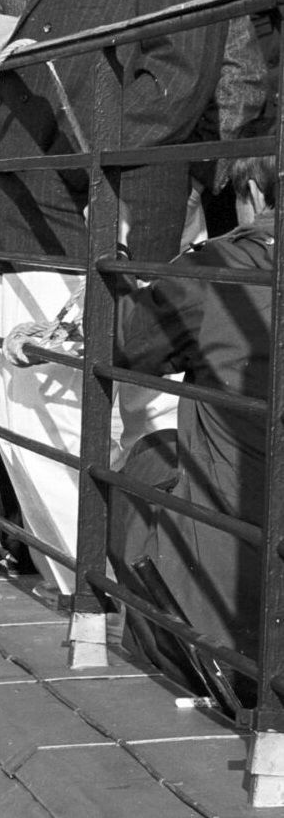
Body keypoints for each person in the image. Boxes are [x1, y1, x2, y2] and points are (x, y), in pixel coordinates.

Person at [0, 0, 230, 594]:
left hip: (92, 213)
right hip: (46, 210)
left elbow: (176, 80)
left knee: (72, 410)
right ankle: (103, 586)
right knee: (42, 417)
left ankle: (113, 593)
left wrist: (92, 165)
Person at [110, 147, 277, 668]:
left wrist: (114, 258)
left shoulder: (223, 266)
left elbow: (130, 346)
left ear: (251, 194)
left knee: (146, 463)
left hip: (243, 623)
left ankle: (171, 651)